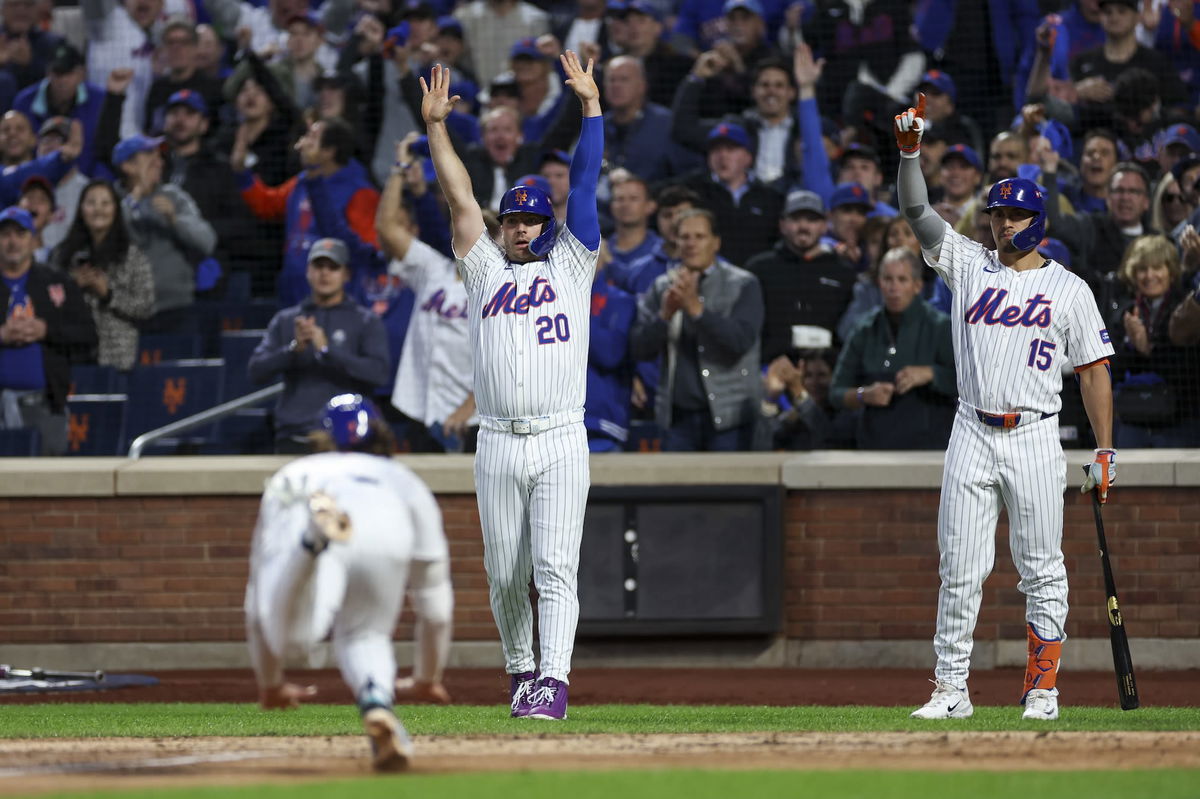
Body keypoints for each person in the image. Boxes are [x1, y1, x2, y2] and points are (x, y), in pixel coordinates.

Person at [895, 95, 1118, 722]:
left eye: (1016, 215)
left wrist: (1104, 451)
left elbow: (1096, 373)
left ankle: (1042, 686)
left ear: (1039, 219)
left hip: (1036, 435)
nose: (1003, 224)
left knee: (1042, 567)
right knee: (959, 570)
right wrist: (910, 153)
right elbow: (916, 208)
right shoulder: (968, 263)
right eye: (997, 214)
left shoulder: (1068, 289)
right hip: (971, 427)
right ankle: (950, 689)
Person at [421, 51, 601, 720]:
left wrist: (591, 108)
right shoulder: (485, 271)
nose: (519, 227)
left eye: (529, 218)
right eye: (511, 219)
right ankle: (521, 667)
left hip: (559, 435)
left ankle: (552, 682)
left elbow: (584, 184)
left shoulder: (575, 266)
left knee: (554, 566)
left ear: (546, 222)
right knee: (503, 574)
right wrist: (437, 129)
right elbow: (458, 196)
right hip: (496, 439)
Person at [245, 393, 453, 772]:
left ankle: (311, 542)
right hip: (384, 526)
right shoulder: (405, 481)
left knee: (293, 637)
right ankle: (376, 701)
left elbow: (257, 601)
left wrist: (271, 683)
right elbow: (436, 610)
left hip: (309, 508)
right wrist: (427, 677)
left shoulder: (292, 473)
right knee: (365, 635)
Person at [629, 208, 765, 451]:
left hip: (730, 419)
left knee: (728, 489)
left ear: (716, 243)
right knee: (677, 490)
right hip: (677, 417)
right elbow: (640, 348)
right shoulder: (662, 287)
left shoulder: (743, 283)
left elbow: (740, 341)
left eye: (699, 237)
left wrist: (696, 310)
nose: (691, 243)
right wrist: (665, 316)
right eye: (684, 237)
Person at [375, 139, 477, 453]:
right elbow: (387, 227)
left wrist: (469, 407)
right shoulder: (435, 268)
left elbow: (510, 361)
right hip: (421, 407)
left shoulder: (502, 287)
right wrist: (399, 169)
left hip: (475, 419)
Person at [248, 238, 391, 453]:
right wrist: (293, 349)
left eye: (333, 267)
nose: (324, 273)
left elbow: (378, 374)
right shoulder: (286, 320)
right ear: (308, 271)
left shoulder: (365, 321)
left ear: (346, 275)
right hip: (295, 436)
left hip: (347, 439)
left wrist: (328, 351)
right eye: (318, 266)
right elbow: (256, 371)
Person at [829, 247, 957, 449]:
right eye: (888, 279)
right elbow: (836, 392)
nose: (893, 287)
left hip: (930, 447)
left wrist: (931, 374)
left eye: (902, 280)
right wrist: (864, 395)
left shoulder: (941, 327)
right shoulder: (864, 329)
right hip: (874, 446)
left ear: (917, 285)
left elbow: (967, 386)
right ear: (879, 283)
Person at [0, 206, 97, 455]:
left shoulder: (56, 281)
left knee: (45, 482)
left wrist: (46, 330)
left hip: (45, 403)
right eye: (5, 235)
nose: (12, 242)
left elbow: (87, 334)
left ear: (33, 240)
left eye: (20, 235)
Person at [1107, 235, 1200, 447]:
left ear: (1171, 271)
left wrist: (1148, 350)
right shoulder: (1125, 312)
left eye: (1157, 267)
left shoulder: (1185, 307)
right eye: (1142, 269)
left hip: (1181, 420)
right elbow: (1110, 369)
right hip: (1133, 421)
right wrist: (1132, 348)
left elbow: (1189, 367)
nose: (1149, 276)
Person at [53, 180, 155, 371]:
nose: (98, 210)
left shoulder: (132, 256)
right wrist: (72, 286)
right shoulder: (63, 254)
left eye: (105, 203)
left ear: (116, 209)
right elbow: (46, 300)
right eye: (91, 203)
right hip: (69, 354)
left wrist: (108, 294)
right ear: (81, 209)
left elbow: (146, 306)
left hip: (116, 358)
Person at [744, 188, 856, 360]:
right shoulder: (759, 269)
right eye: (795, 219)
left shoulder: (844, 273)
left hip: (828, 370)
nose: (803, 226)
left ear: (824, 225)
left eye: (811, 220)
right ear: (782, 224)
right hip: (770, 367)